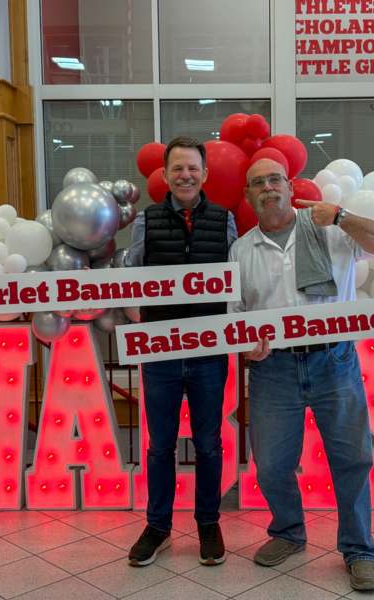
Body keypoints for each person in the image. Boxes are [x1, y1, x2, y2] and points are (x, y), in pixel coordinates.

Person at [228, 158, 374, 591]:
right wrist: (245, 343)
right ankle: (288, 532)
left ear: (289, 185)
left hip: (334, 360)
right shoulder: (242, 249)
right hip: (273, 369)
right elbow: (235, 312)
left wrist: (340, 215)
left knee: (352, 460)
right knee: (271, 465)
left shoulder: (328, 228)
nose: (267, 188)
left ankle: (359, 551)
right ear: (249, 196)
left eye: (274, 179)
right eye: (257, 183)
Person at [124, 136, 238, 567]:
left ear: (205, 173)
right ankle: (158, 526)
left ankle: (208, 523)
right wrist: (136, 315)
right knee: (160, 446)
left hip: (210, 351)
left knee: (209, 443)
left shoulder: (224, 219)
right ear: (165, 175)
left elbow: (235, 280)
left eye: (192, 168)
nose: (185, 175)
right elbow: (130, 277)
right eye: (177, 169)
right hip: (162, 352)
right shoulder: (146, 221)